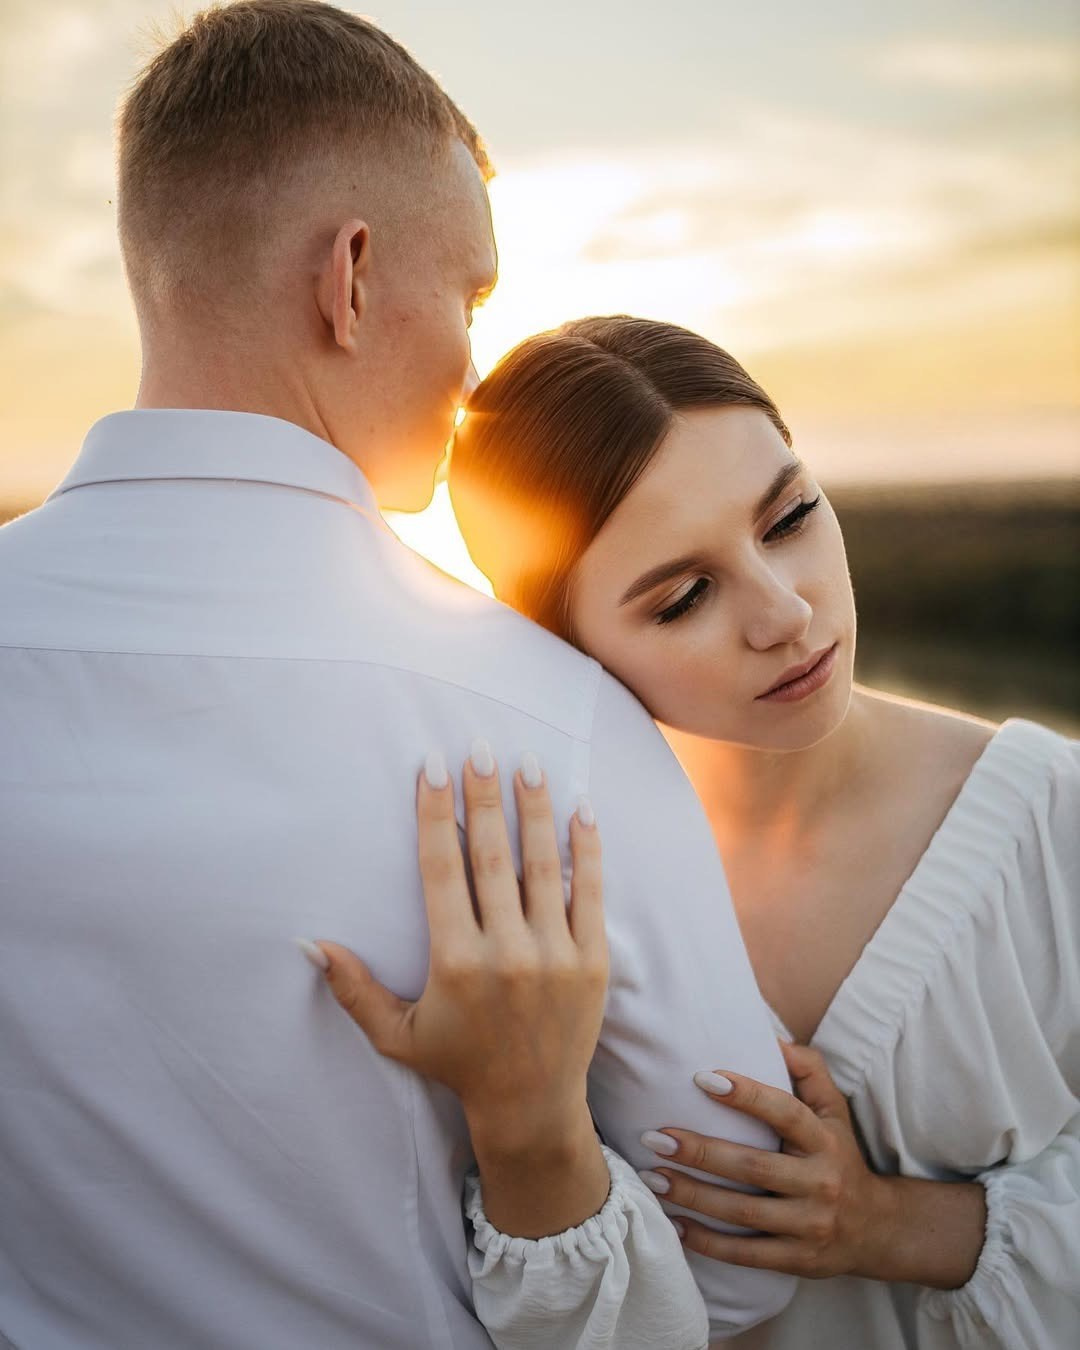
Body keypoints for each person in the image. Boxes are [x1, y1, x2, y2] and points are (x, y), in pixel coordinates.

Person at [0, 6, 793, 1348]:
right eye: (472, 294)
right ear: (351, 278)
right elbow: (744, 1265)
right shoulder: (550, 727)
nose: (477, 366)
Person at [422, 315, 1077, 1349]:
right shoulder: (552, 900)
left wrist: (893, 1225)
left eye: (790, 517)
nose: (783, 612)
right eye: (684, 597)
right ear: (561, 646)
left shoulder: (1055, 823)